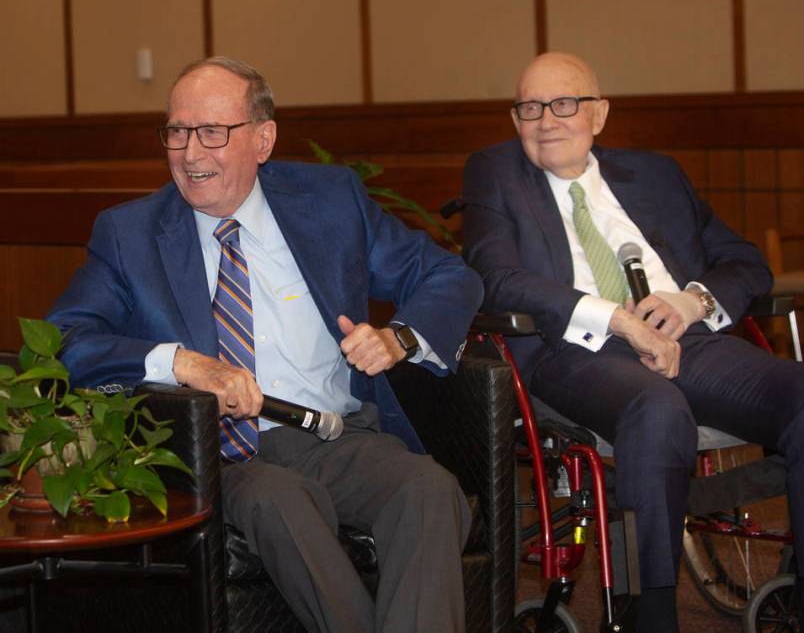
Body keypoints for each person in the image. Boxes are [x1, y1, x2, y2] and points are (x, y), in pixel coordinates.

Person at [47, 56, 483, 633]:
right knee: (278, 502)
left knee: (428, 489)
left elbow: (448, 276)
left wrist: (399, 338)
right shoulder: (131, 234)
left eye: (212, 132)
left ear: (262, 139)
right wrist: (180, 363)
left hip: (332, 434)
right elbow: (64, 343)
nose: (190, 153)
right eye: (177, 132)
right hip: (221, 453)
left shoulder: (329, 202)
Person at [462, 52, 804, 633]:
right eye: (530, 107)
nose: (547, 119)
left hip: (687, 340)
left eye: (564, 103)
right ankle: (652, 616)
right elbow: (497, 277)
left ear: (598, 114)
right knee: (657, 408)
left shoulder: (656, 175)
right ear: (515, 117)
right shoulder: (496, 173)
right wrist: (618, 321)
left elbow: (745, 262)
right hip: (575, 350)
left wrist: (691, 301)